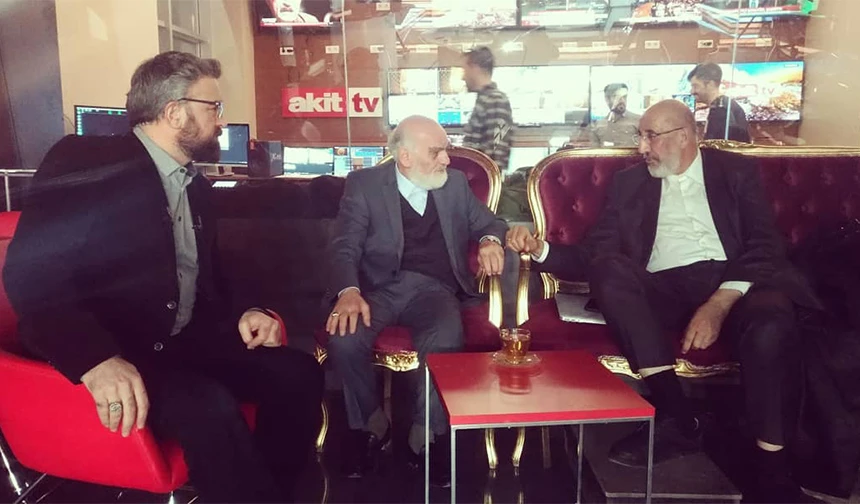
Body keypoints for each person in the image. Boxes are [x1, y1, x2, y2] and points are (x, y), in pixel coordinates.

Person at [2, 51, 323, 503]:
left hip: (181, 344)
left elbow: (211, 276)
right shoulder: (86, 162)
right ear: (174, 113)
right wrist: (96, 360)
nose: (221, 121)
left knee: (298, 374)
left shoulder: (196, 187)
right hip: (120, 351)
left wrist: (251, 310)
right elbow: (32, 275)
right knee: (208, 407)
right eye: (213, 107)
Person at [506, 100, 819, 503]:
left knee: (773, 321)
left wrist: (718, 304)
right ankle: (677, 416)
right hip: (665, 288)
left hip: (736, 284)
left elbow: (764, 244)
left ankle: (772, 473)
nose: (641, 148)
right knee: (609, 270)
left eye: (650, 136)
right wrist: (541, 249)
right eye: (640, 136)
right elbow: (594, 255)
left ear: (683, 136)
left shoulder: (735, 172)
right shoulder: (630, 183)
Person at [324, 115, 507, 485]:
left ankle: (426, 435)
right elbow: (345, 245)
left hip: (435, 291)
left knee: (445, 339)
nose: (447, 160)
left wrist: (490, 240)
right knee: (344, 338)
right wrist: (348, 291)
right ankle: (371, 424)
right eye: (437, 152)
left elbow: (491, 223)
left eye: (445, 151)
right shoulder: (364, 185)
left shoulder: (454, 185)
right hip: (377, 290)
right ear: (405, 157)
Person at [462, 46, 514, 171]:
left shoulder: (496, 100)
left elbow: (497, 149)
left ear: (475, 68)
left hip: (483, 178)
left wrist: (488, 179)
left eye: (465, 70)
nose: (463, 77)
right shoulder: (486, 99)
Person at [688, 62, 751, 143]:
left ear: (710, 84)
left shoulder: (722, 111)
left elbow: (719, 148)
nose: (692, 91)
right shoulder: (722, 106)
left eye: (695, 86)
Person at [589, 83, 641, 147]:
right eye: (616, 97)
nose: (622, 100)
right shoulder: (598, 125)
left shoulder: (639, 121)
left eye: (624, 97)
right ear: (607, 99)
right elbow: (595, 150)